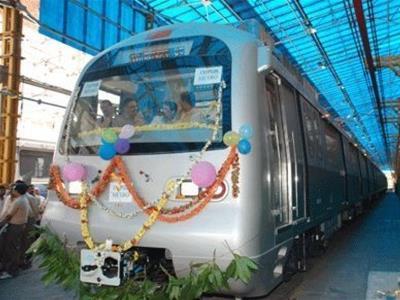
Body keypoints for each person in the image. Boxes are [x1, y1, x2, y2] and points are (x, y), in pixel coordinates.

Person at [0, 182, 29, 279]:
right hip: (19, 226)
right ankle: (10, 268)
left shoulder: (18, 201)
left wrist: (1, 224)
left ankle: (11, 270)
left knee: (11, 249)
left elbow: (9, 215)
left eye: (14, 189)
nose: (12, 191)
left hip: (14, 227)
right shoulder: (23, 199)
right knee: (13, 248)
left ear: (18, 191)